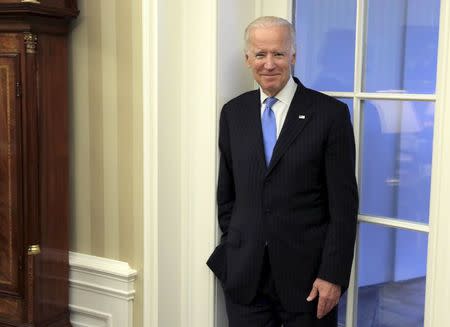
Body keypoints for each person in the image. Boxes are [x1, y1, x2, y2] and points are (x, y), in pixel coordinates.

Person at [207, 16, 358, 327]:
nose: (269, 64)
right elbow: (228, 194)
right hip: (245, 278)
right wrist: (233, 248)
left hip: (308, 283)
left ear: (293, 56)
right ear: (247, 59)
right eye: (260, 54)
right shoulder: (233, 114)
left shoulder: (330, 115)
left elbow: (343, 208)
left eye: (278, 53)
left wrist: (332, 275)